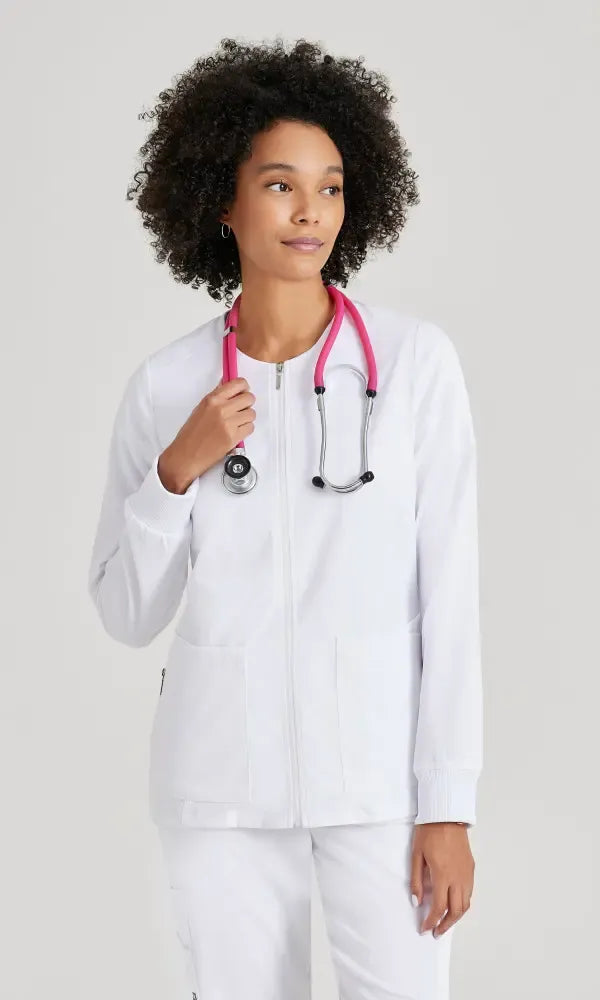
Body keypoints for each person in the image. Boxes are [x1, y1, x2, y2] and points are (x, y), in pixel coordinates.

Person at [88, 35, 483, 1000]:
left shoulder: (413, 365)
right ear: (220, 201)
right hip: (219, 788)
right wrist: (173, 474)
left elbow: (452, 596)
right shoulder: (167, 386)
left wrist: (448, 805)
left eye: (331, 187)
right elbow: (127, 613)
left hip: (379, 790)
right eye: (279, 185)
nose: (311, 212)